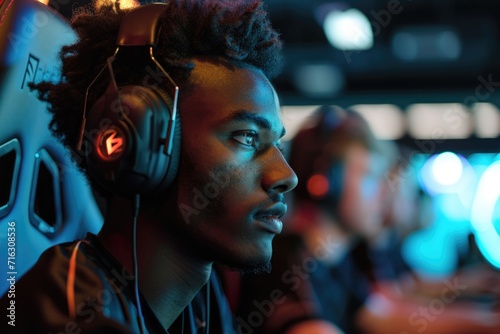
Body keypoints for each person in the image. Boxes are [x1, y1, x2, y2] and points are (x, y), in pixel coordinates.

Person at [0, 0, 297, 333]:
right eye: (246, 137)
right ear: (136, 146)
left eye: (278, 146)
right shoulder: (75, 314)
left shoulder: (201, 303)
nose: (286, 176)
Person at [233, 105, 500, 334]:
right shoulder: (281, 263)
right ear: (326, 183)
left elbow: (382, 315)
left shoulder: (336, 262)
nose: (385, 195)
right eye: (371, 177)